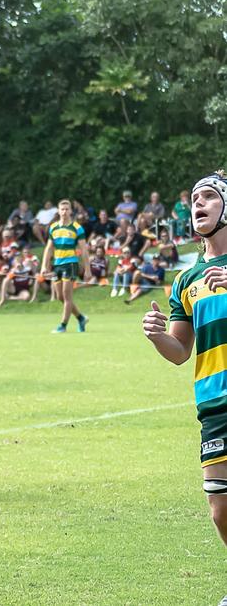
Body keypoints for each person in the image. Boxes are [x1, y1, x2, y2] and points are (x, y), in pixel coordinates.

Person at [142, 171, 227, 606]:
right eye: (195, 197)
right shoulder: (186, 280)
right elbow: (179, 351)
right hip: (213, 403)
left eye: (210, 195)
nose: (199, 203)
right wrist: (158, 334)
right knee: (220, 508)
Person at [40, 198, 91, 333]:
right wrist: (44, 266)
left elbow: (84, 250)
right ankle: (81, 318)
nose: (64, 211)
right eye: (62, 209)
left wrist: (87, 269)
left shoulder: (77, 228)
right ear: (58, 211)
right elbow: (49, 248)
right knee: (60, 297)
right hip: (57, 264)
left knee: (67, 296)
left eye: (67, 209)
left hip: (71, 264)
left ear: (70, 211)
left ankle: (63, 325)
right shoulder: (53, 227)